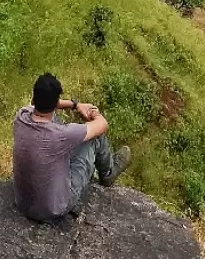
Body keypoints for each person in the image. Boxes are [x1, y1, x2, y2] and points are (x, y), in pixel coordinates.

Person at [11, 71, 130, 222]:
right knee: (95, 138)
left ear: (34, 98)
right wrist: (92, 112)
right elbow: (102, 125)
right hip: (53, 210)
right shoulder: (61, 135)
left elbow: (38, 106)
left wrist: (75, 105)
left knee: (52, 120)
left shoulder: (21, 116)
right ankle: (107, 173)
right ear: (56, 103)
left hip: (23, 203)